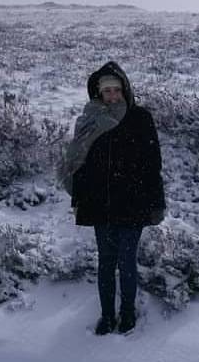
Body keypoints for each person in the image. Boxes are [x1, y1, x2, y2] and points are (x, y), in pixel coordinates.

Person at [59, 61, 165, 335]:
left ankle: (127, 313)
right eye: (107, 91)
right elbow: (79, 165)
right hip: (100, 202)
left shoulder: (140, 118)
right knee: (106, 261)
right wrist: (79, 199)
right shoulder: (89, 120)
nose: (113, 96)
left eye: (117, 90)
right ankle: (107, 316)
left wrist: (157, 203)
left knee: (126, 260)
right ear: (98, 93)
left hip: (134, 201)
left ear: (125, 89)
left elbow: (153, 163)